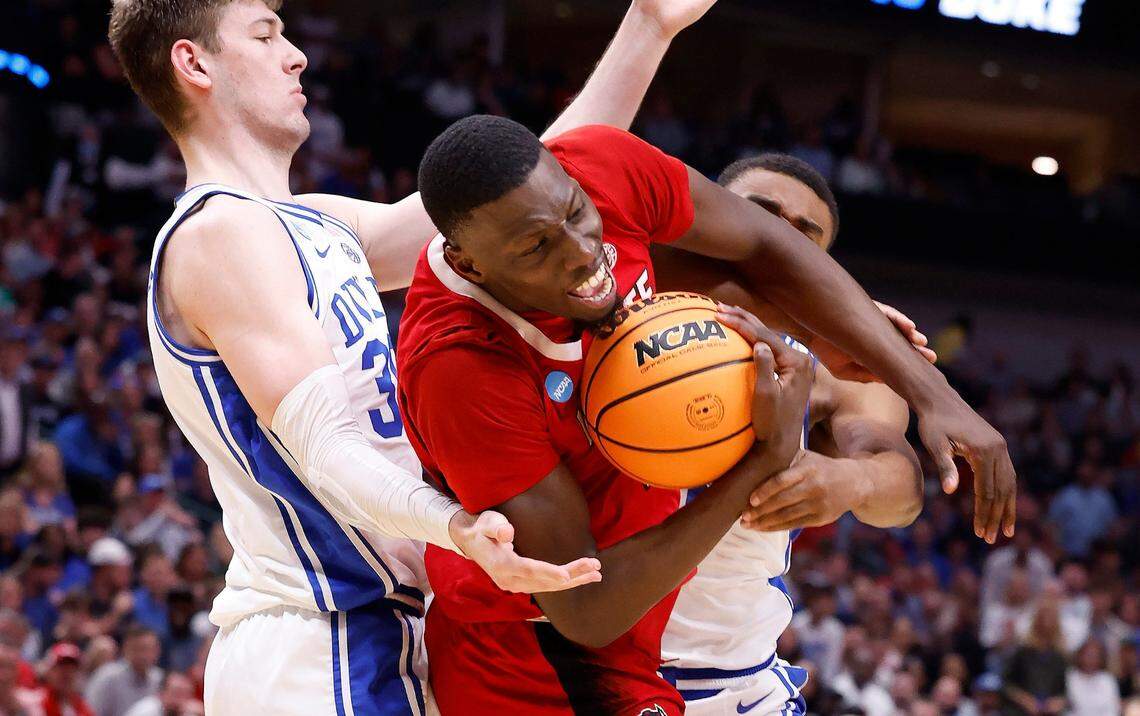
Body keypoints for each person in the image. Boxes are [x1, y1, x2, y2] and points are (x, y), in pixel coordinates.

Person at [105, 0, 723, 712]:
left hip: (376, 630)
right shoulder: (222, 235)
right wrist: (455, 526)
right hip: (317, 637)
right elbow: (325, 446)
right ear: (194, 63)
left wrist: (648, 27)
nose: (296, 54)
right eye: (266, 34)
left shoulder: (317, 224)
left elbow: (514, 191)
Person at [403, 115, 813, 714]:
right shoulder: (462, 363)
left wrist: (888, 367)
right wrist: (760, 462)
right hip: (528, 650)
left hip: (639, 639)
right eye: (538, 245)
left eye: (576, 214)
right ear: (471, 266)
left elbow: (893, 480)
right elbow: (584, 608)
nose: (582, 250)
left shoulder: (607, 206)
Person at [653, 153, 923, 715]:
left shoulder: (839, 361)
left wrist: (852, 480)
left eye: (806, 233)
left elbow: (900, 486)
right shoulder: (625, 301)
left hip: (725, 679)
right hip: (575, 650)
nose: (781, 236)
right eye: (763, 213)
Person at [83, 627, 162, 716]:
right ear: (125, 649)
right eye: (139, 649)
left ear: (157, 651)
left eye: (149, 649)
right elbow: (90, 712)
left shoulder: (159, 679)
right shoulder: (107, 677)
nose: (144, 655)